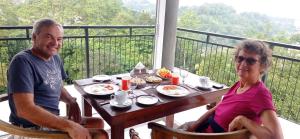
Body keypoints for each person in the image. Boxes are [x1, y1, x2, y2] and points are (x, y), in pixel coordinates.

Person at [7, 18, 108, 139]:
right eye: (49, 37)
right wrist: (68, 126)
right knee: (100, 136)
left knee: (98, 123)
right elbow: (24, 110)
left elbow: (55, 84)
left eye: (59, 39)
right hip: (31, 129)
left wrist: (71, 101)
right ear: (34, 37)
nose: (55, 43)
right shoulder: (22, 62)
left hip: (50, 122)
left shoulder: (54, 58)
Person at [181, 40, 283, 139]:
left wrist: (243, 120)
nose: (243, 63)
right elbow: (219, 107)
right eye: (240, 58)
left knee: (167, 132)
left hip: (213, 135)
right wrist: (196, 124)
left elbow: (276, 136)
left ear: (262, 66)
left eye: (251, 60)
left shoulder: (260, 94)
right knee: (183, 127)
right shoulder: (239, 85)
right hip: (204, 129)